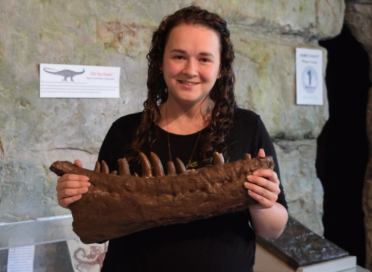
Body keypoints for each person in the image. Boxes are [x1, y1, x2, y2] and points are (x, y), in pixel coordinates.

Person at [56, 6, 288, 272]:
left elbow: (274, 229)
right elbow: (96, 231)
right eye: (179, 56)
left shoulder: (248, 127)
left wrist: (262, 202)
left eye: (204, 59)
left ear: (221, 68)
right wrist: (75, 196)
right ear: (160, 61)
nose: (190, 70)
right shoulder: (124, 130)